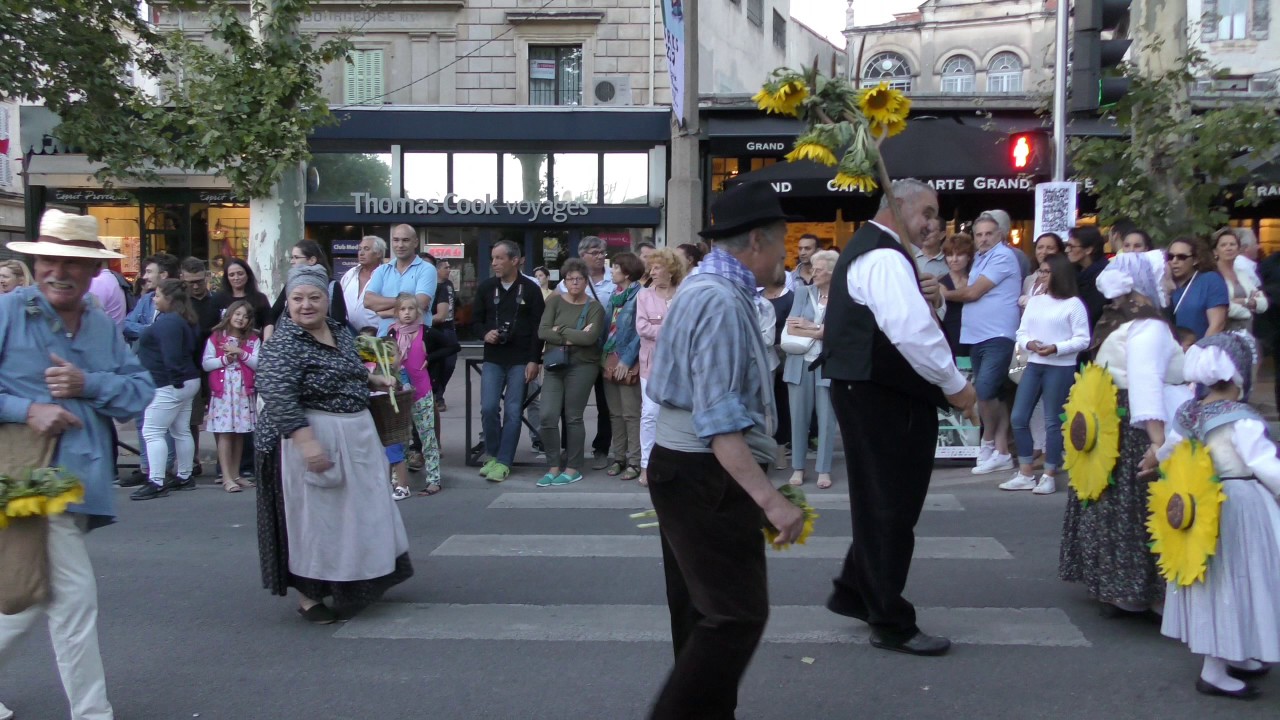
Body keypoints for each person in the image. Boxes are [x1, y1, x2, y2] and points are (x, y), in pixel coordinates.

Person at [644, 182, 805, 718]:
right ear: (756, 240)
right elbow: (718, 422)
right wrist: (770, 500)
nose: (785, 253)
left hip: (684, 469)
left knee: (701, 614)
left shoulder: (709, 288)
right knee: (735, 615)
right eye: (782, 241)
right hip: (703, 474)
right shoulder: (717, 299)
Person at [0, 211, 154, 720]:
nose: (57, 271)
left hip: (79, 484)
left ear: (94, 272)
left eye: (71, 262)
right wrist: (30, 409)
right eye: (48, 259)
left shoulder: (102, 327)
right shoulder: (7, 313)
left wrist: (87, 383)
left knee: (28, 592)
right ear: (34, 263)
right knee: (73, 598)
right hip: (23, 481)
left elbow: (137, 395)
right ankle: (92, 714)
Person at [821, 178, 977, 657]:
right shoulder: (885, 256)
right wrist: (957, 387)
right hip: (885, 395)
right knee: (891, 507)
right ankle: (889, 619)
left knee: (880, 502)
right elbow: (913, 335)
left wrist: (927, 296)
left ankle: (855, 590)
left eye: (937, 215)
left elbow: (907, 321)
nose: (934, 224)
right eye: (926, 213)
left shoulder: (883, 253)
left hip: (870, 390)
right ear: (896, 205)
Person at [255, 265, 412, 624]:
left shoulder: (339, 330)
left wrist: (375, 377)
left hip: (353, 434)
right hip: (310, 436)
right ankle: (308, 597)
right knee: (314, 522)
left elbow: (350, 367)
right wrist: (306, 442)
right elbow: (278, 395)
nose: (305, 305)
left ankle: (354, 581)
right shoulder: (284, 343)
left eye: (314, 298)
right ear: (287, 303)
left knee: (355, 515)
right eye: (297, 299)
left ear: (327, 300)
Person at [1158, 333, 1280, 700]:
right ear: (1241, 374)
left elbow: (1168, 454)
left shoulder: (1188, 413)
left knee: (1213, 581)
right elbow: (1264, 466)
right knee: (1239, 580)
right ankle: (1214, 669)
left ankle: (1234, 654)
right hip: (1239, 504)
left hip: (1199, 505)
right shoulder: (1242, 419)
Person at [1060, 251, 1180, 616]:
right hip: (1140, 427)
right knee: (1137, 507)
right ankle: (1135, 590)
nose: (1171, 284)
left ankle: (1116, 586)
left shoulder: (1119, 322)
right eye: (1165, 279)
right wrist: (1158, 442)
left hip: (1116, 424)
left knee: (1113, 503)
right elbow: (1145, 383)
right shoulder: (1149, 326)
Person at [1001, 254, 1090, 495]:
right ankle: (1026, 471)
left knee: (1053, 420)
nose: (1041, 276)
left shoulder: (1073, 304)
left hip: (1060, 366)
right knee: (1019, 417)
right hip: (1034, 362)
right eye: (1040, 271)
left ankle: (1049, 473)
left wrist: (1057, 348)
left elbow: (1083, 339)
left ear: (1059, 274)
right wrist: (1030, 344)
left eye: (1046, 271)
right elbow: (1021, 331)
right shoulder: (1036, 302)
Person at [942, 212, 1022, 475]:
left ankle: (988, 443)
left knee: (986, 390)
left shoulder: (1002, 256)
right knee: (993, 393)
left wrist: (945, 295)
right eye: (979, 234)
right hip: (977, 336)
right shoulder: (980, 259)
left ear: (1000, 235)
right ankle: (1000, 451)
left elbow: (974, 292)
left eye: (989, 234)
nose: (984, 239)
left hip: (998, 334)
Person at [474, 240, 545, 482]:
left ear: (515, 260)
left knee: (514, 411)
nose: (494, 263)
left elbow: (539, 327)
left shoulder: (531, 289)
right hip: (493, 357)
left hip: (521, 359)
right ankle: (492, 455)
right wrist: (485, 333)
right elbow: (475, 321)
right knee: (489, 407)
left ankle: (504, 461)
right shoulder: (486, 288)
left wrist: (534, 360)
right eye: (492, 258)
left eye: (499, 258)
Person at [536, 258, 605, 488]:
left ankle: (573, 467)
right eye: (570, 279)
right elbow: (543, 332)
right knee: (547, 415)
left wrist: (562, 331)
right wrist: (574, 334)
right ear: (564, 281)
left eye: (579, 279)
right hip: (555, 365)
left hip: (583, 365)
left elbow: (590, 338)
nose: (574, 282)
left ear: (586, 281)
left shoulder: (594, 307)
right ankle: (553, 465)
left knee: (573, 416)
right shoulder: (554, 303)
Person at [131, 278, 202, 500]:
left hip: (168, 383)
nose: (154, 298)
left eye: (158, 295)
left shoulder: (169, 322)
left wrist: (174, 381)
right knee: (180, 430)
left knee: (152, 431)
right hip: (186, 381)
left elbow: (171, 356)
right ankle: (184, 475)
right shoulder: (183, 319)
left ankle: (157, 480)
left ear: (169, 299)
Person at [119, 253, 181, 487]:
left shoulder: (176, 303)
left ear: (163, 275)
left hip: (163, 373)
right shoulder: (145, 301)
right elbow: (127, 324)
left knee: (162, 424)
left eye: (149, 272)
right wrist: (151, 330)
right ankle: (146, 468)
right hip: (140, 368)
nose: (144, 277)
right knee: (141, 420)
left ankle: (163, 469)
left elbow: (170, 333)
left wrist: (147, 331)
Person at [556, 236, 616, 463]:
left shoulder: (615, 279)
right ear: (582, 256)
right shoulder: (569, 281)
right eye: (594, 252)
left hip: (606, 349)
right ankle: (569, 448)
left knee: (605, 403)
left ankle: (601, 448)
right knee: (570, 403)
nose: (600, 256)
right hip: (578, 351)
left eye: (602, 252)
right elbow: (554, 309)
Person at [783, 248, 839, 490]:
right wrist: (820, 331)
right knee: (799, 418)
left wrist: (811, 326)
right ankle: (798, 468)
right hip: (800, 365)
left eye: (818, 269)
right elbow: (792, 328)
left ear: (831, 272)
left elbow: (840, 330)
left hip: (827, 364)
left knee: (827, 420)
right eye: (813, 269)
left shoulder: (842, 296)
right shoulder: (803, 293)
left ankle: (823, 470)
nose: (813, 273)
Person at [387, 293, 448, 497]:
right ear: (396, 312)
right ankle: (399, 480)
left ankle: (433, 480)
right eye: (402, 309)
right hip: (401, 396)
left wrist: (430, 358)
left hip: (422, 392)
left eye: (410, 309)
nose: (407, 313)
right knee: (401, 439)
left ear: (418, 311)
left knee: (427, 437)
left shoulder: (427, 332)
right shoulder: (392, 334)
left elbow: (452, 346)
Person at [636, 249, 685, 487]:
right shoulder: (643, 295)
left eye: (656, 268)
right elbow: (642, 329)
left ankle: (676, 464)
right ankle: (646, 465)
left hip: (680, 365)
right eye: (651, 268)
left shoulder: (684, 293)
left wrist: (661, 327)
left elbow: (688, 328)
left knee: (679, 414)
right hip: (651, 364)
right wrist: (669, 329)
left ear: (670, 269)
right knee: (650, 414)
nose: (652, 272)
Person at [203, 299, 260, 494]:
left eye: (245, 316)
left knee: (239, 434)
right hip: (224, 390)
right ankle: (226, 476)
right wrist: (225, 359)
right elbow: (206, 363)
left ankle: (236, 474)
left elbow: (258, 363)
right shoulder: (217, 337)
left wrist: (241, 353)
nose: (240, 319)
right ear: (229, 315)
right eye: (237, 314)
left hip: (243, 390)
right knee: (225, 433)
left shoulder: (253, 339)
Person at [600, 252, 645, 480]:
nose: (612, 271)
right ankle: (619, 457)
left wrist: (627, 361)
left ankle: (635, 461)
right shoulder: (614, 296)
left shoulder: (640, 295)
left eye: (616, 267)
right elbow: (607, 329)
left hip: (626, 358)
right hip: (608, 357)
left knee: (630, 413)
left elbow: (639, 332)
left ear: (627, 272)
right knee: (615, 414)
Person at [180, 257, 221, 479]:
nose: (195, 286)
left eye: (199, 280)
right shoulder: (181, 304)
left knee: (219, 416)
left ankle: (223, 462)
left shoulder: (215, 302)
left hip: (215, 366)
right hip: (191, 365)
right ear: (182, 279)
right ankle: (193, 460)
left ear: (206, 276)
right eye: (190, 282)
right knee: (191, 418)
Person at [364, 224, 437, 337]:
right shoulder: (382, 270)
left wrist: (384, 312)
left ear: (415, 242)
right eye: (396, 240)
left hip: (416, 341)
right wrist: (408, 302)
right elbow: (368, 301)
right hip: (386, 341)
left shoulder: (427, 269)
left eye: (405, 240)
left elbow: (421, 303)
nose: (400, 245)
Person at [264, 240, 348, 339]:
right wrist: (267, 341)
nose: (292, 261)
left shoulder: (332, 286)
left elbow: (339, 322)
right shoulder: (291, 285)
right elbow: (273, 314)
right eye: (297, 298)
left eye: (296, 257)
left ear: (312, 260)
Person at [762, 263, 794, 471]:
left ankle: (780, 449)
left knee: (781, 403)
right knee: (764, 405)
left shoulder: (791, 297)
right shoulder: (757, 297)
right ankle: (764, 450)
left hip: (784, 355)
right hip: (763, 357)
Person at [1167, 236, 1229, 340]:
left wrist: (1199, 352)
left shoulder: (1210, 280)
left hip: (1199, 347)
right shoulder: (1164, 282)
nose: (1174, 261)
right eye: (1170, 257)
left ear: (1195, 260)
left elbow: (1217, 325)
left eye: (1181, 257)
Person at [1213, 228, 1267, 334]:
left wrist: (1243, 301)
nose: (1228, 248)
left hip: (1246, 332)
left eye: (1232, 244)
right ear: (1215, 251)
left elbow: (1263, 304)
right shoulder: (1212, 275)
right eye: (1223, 245)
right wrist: (1249, 309)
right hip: (1223, 332)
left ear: (1238, 249)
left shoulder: (1242, 273)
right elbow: (1224, 308)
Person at [340, 235, 387, 336]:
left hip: (375, 335)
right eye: (360, 249)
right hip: (347, 334)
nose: (361, 253)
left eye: (366, 249)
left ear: (378, 253)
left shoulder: (387, 276)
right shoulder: (350, 274)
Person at [429, 257, 459, 411]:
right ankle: (437, 396)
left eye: (449, 267)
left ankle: (439, 392)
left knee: (450, 364)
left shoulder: (449, 285)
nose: (449, 270)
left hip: (450, 328)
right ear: (437, 270)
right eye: (445, 267)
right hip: (436, 329)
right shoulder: (431, 286)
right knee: (437, 364)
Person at [1066, 226, 1111, 330]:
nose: (1067, 250)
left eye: (1071, 246)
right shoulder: (1074, 272)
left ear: (1088, 249)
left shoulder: (1104, 276)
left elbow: (1093, 313)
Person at [939, 233, 973, 357]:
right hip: (949, 337)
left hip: (974, 337)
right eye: (949, 255)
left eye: (959, 254)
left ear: (968, 257)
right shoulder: (941, 282)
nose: (954, 259)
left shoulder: (976, 280)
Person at [213, 257, 271, 330]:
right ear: (227, 278)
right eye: (231, 275)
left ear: (247, 275)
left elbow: (268, 323)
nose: (236, 278)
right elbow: (212, 326)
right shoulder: (218, 299)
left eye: (240, 274)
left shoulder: (260, 298)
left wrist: (266, 340)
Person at [1020, 232, 1063, 308]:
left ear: (1059, 251)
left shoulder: (1062, 278)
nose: (1044, 252)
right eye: (1040, 247)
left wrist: (1023, 301)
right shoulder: (1029, 279)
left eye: (1050, 248)